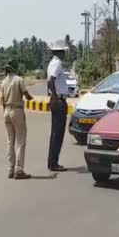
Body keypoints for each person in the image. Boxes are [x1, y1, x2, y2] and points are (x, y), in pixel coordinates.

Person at [1, 60, 34, 179]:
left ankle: (10, 169)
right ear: (15, 68)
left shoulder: (3, 82)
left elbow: (2, 100)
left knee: (10, 141)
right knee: (20, 141)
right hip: (17, 111)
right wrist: (30, 97)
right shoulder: (19, 80)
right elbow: (26, 94)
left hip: (6, 112)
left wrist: (5, 113)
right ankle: (19, 170)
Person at [47, 40, 70, 172]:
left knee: (55, 133)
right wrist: (55, 97)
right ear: (60, 52)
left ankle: (52, 162)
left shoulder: (52, 63)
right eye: (63, 51)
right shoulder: (57, 63)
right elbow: (51, 81)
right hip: (59, 101)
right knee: (58, 133)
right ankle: (53, 163)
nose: (65, 54)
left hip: (56, 100)